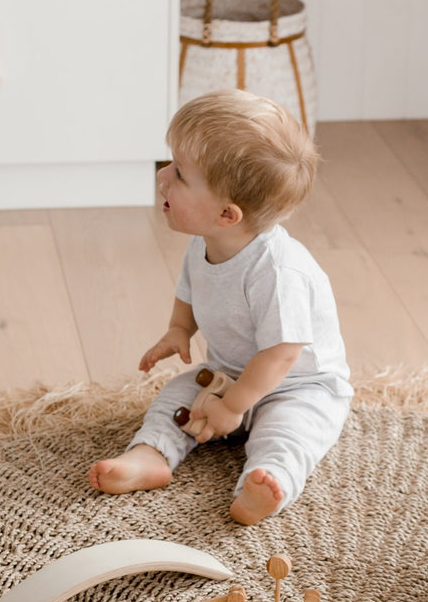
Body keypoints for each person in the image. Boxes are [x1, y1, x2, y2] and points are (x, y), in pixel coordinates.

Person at [88, 90, 352, 525]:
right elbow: (191, 289)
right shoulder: (205, 242)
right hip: (229, 373)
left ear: (227, 214)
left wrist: (233, 407)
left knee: (287, 431)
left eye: (179, 176)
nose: (162, 177)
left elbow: (281, 353)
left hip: (299, 386)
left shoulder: (278, 271)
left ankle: (267, 484)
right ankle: (149, 455)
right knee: (175, 398)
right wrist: (178, 329)